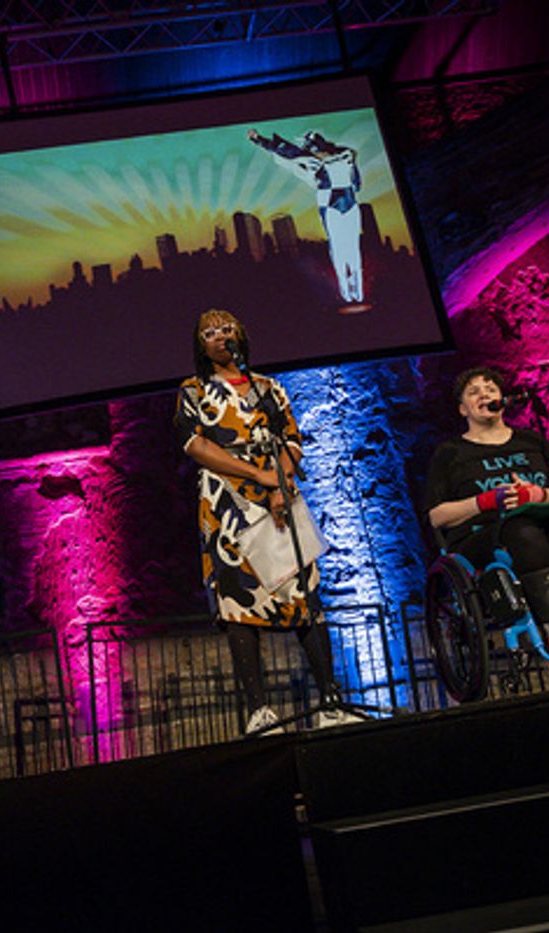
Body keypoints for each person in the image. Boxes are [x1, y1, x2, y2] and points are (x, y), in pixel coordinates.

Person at [174, 309, 363, 734]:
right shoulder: (194, 390)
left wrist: (279, 482)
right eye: (210, 332)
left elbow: (291, 439)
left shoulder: (268, 388)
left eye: (227, 329)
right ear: (200, 345)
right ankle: (259, 711)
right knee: (239, 601)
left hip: (278, 496)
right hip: (227, 500)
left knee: (305, 594)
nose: (220, 336)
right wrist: (256, 475)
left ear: (240, 335)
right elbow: (193, 443)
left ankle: (330, 701)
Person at [424, 366, 549, 658]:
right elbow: (437, 516)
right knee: (522, 531)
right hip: (482, 537)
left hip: (537, 523)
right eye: (474, 392)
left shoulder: (531, 441)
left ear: (502, 399)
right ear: (463, 409)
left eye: (491, 389)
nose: (484, 394)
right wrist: (488, 500)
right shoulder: (451, 452)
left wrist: (537, 495)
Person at [248, 128, 368, 312]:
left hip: (349, 205)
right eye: (309, 148)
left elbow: (356, 183)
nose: (311, 151)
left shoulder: (345, 156)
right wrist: (259, 140)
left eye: (312, 147)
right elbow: (287, 150)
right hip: (332, 206)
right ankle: (347, 293)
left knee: (352, 248)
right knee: (338, 249)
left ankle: (357, 292)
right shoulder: (316, 162)